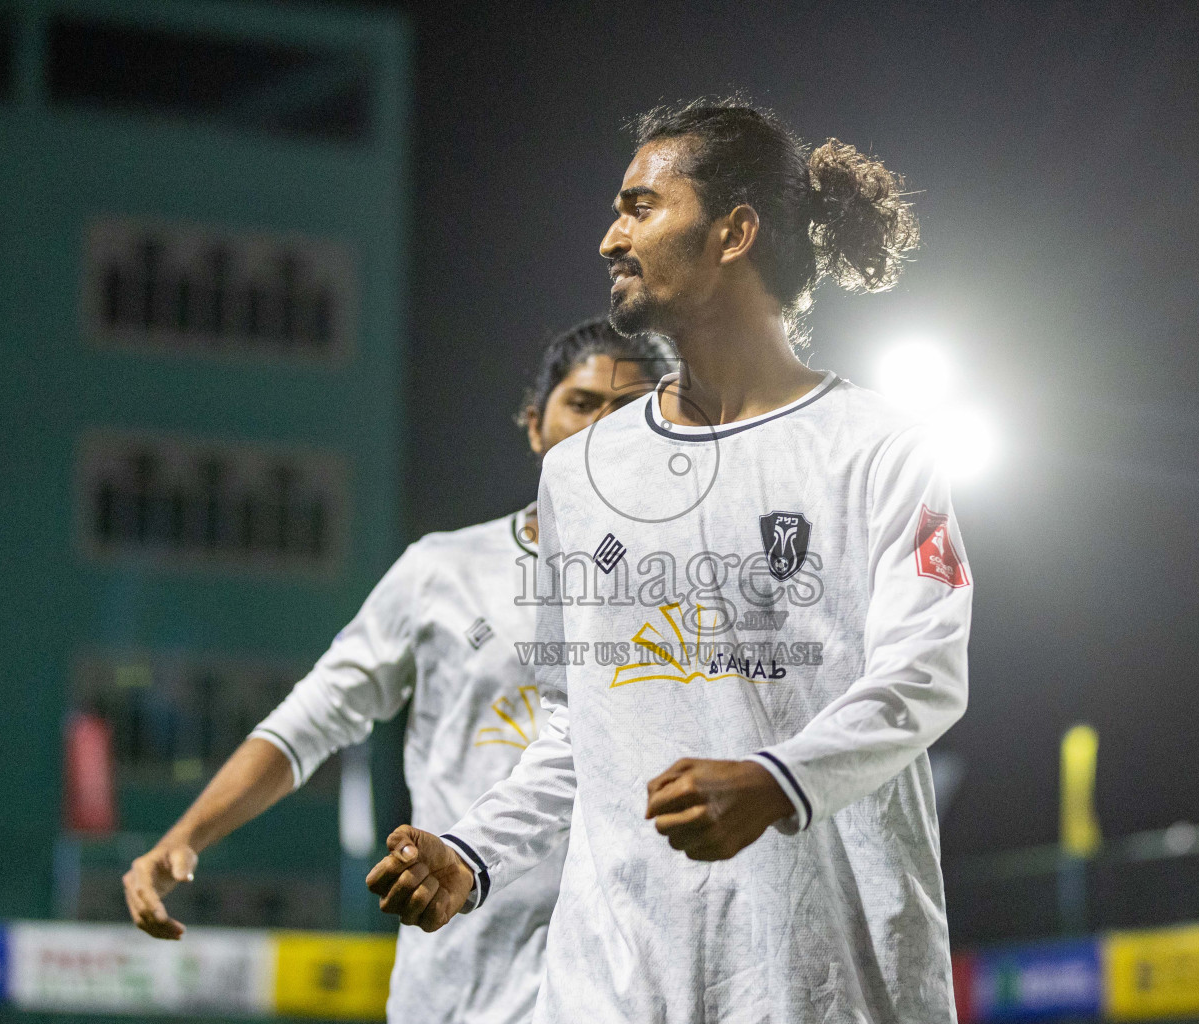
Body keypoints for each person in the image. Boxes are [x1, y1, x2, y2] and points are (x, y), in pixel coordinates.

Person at [368, 97, 972, 1023]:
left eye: (641, 206)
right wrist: (472, 854)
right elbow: (579, 728)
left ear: (733, 231)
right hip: (614, 982)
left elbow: (924, 676)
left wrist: (776, 781)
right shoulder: (579, 472)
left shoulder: (878, 445)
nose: (611, 238)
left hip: (824, 982)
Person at [122, 316, 676, 1024]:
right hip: (457, 972)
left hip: (622, 977)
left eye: (631, 410)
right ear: (535, 423)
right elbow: (311, 718)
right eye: (583, 403)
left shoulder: (694, 589)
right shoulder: (442, 570)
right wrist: (185, 837)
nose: (603, 428)